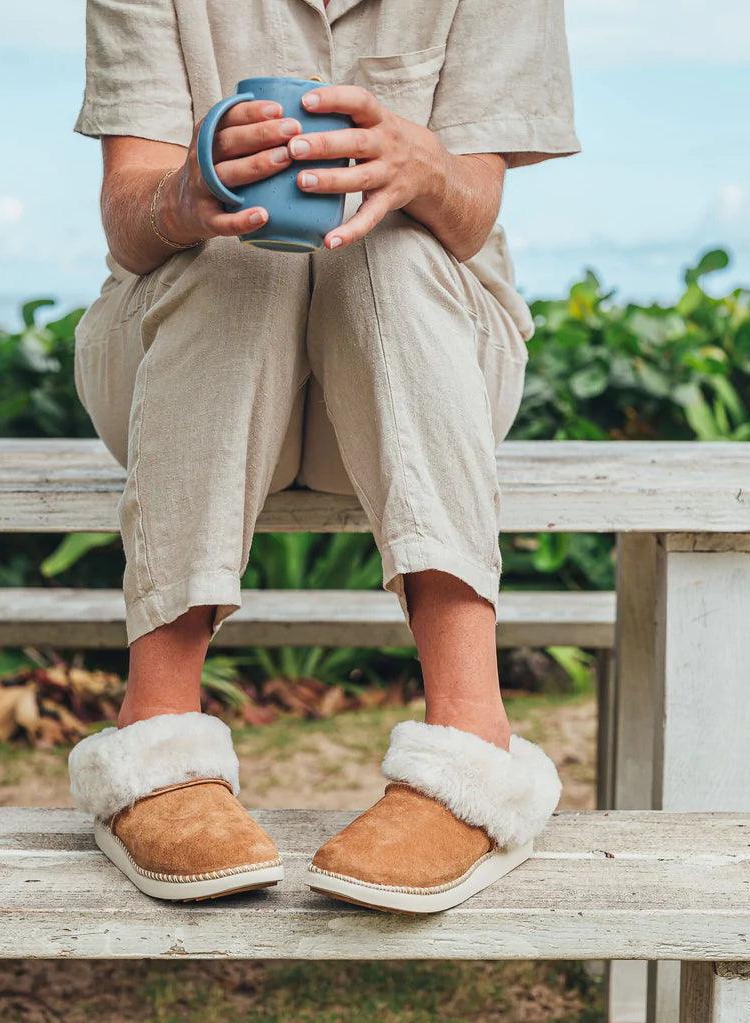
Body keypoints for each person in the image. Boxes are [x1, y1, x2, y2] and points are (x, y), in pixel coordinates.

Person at [68, 0, 579, 913]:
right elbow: (125, 212)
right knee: (240, 249)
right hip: (172, 365)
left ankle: (472, 747)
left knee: (388, 247)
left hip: (420, 365)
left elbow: (470, 217)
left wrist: (424, 169)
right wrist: (185, 200)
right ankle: (158, 736)